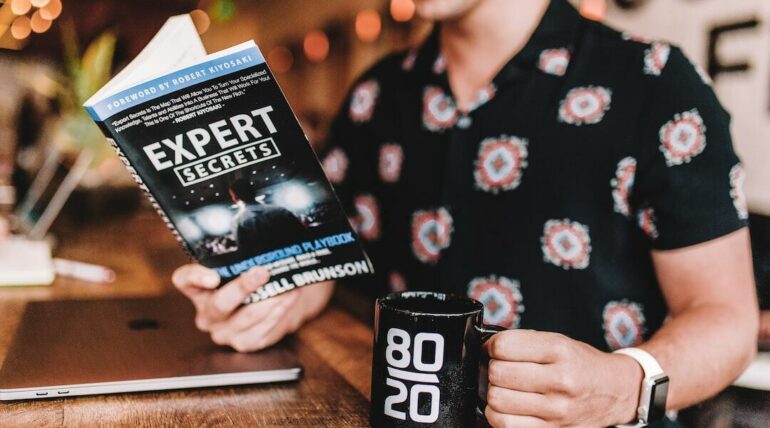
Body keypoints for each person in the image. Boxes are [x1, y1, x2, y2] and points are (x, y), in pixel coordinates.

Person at [173, 0, 759, 426]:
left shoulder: (654, 83)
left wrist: (623, 384)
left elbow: (726, 318)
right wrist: (276, 298)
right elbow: (338, 261)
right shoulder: (377, 94)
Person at [228, 178, 308, 254]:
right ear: (253, 191)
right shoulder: (281, 210)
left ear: (235, 197)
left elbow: (244, 251)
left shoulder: (237, 222)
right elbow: (302, 234)